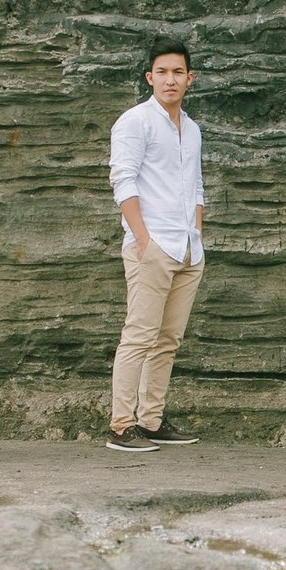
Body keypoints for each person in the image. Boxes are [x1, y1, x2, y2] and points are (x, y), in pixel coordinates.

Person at [105, 38, 205, 452]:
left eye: (177, 72)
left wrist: (197, 234)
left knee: (168, 340)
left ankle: (151, 420)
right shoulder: (135, 121)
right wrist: (142, 240)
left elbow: (196, 184)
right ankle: (121, 426)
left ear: (189, 78)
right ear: (150, 77)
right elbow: (122, 180)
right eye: (161, 72)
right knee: (139, 336)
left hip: (187, 249)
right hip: (153, 247)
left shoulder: (193, 128)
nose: (170, 80)